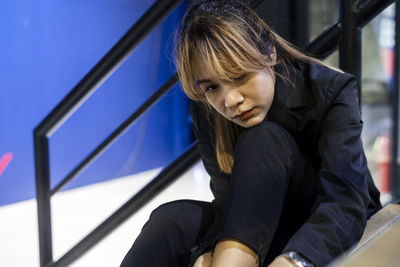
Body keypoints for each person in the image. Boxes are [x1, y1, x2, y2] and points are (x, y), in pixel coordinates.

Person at [120, 0, 382, 266]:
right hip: (257, 224)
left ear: (270, 53)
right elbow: (229, 203)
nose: (230, 100)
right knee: (169, 221)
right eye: (211, 87)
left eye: (238, 75)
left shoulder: (327, 89)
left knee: (264, 138)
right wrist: (206, 253)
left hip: (323, 224)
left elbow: (345, 201)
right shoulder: (208, 112)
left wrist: (295, 260)